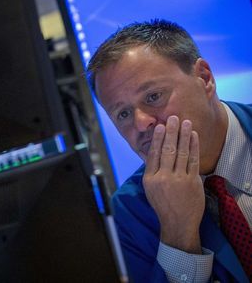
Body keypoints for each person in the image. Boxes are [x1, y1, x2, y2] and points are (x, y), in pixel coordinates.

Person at [87, 19, 251, 282]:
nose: (141, 123)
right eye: (123, 114)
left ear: (204, 78)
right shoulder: (129, 213)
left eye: (153, 97)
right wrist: (178, 234)